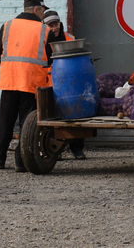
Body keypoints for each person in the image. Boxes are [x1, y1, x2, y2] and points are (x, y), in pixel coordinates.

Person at [0, 0, 53, 172]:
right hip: (32, 82)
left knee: (5, 121)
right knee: (27, 124)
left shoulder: (8, 26)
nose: (43, 15)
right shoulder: (44, 30)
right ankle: (21, 162)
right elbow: (51, 57)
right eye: (43, 11)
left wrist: (10, 68)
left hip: (9, 80)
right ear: (36, 10)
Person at [44, 10, 86, 160]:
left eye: (55, 24)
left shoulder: (70, 39)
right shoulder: (42, 41)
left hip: (70, 85)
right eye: (50, 26)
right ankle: (57, 149)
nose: (54, 28)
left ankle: (77, 149)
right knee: (53, 120)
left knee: (75, 116)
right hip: (50, 85)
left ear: (60, 24)